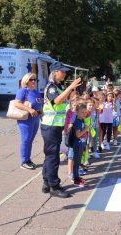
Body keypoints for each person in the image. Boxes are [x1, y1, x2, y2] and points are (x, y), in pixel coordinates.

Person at [40, 61, 81, 198]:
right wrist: (70, 88)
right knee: (53, 157)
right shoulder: (51, 87)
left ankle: (47, 182)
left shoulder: (58, 86)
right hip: (50, 126)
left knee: (50, 155)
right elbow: (56, 102)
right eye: (62, 71)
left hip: (54, 126)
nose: (65, 73)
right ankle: (54, 186)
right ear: (55, 72)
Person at [14, 73, 42, 169]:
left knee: (30, 140)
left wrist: (41, 111)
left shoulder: (36, 92)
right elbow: (17, 104)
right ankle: (24, 161)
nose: (33, 81)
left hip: (36, 118)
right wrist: (29, 109)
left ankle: (28, 159)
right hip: (26, 119)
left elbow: (38, 104)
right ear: (26, 81)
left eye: (35, 79)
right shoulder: (23, 91)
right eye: (31, 79)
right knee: (25, 140)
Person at [71, 103, 89, 187]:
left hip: (81, 143)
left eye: (85, 112)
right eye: (82, 112)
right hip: (77, 144)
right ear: (77, 112)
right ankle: (75, 179)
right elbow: (78, 135)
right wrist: (85, 129)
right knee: (76, 162)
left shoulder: (81, 120)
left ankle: (77, 176)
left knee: (78, 162)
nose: (84, 114)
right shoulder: (77, 121)